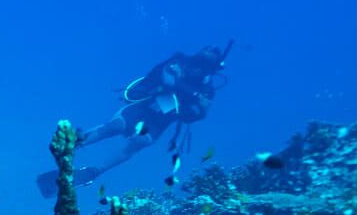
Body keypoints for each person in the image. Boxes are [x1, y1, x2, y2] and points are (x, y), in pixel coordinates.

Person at [36, 42, 232, 196]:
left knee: (138, 143)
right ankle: (72, 144)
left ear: (211, 70)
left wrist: (193, 101)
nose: (197, 68)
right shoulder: (179, 63)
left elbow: (199, 113)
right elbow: (168, 80)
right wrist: (195, 95)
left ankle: (93, 172)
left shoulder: (207, 89)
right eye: (198, 62)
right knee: (114, 127)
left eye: (204, 66)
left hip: (159, 122)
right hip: (142, 108)